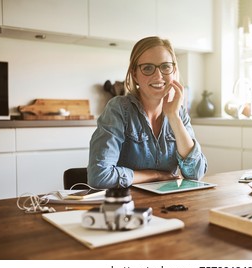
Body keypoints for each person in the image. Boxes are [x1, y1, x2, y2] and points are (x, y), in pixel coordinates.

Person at [87, 36, 208, 188]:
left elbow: (196, 174)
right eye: (148, 68)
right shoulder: (118, 109)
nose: (158, 76)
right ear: (135, 74)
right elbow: (99, 177)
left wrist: (174, 118)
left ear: (174, 70)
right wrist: (155, 175)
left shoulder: (179, 112)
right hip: (126, 205)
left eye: (165, 66)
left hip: (168, 205)